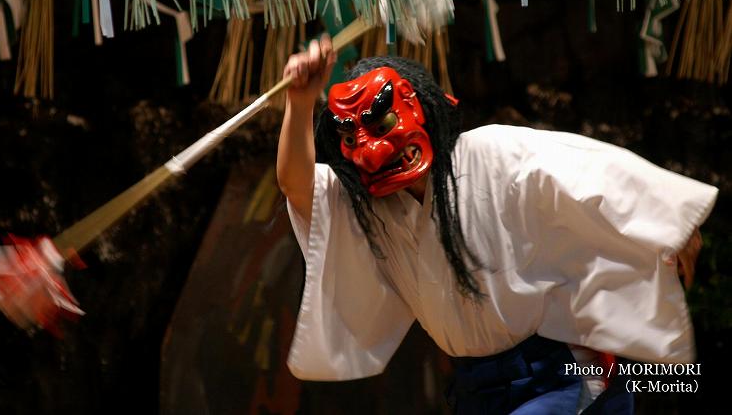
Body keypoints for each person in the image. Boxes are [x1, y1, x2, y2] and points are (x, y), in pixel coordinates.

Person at [276, 36, 717, 414]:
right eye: (352, 139)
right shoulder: (368, 205)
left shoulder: (488, 153)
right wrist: (299, 103)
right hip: (477, 385)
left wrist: (670, 222)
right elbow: (297, 185)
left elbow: (590, 172)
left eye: (384, 122)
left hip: (559, 367)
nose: (369, 151)